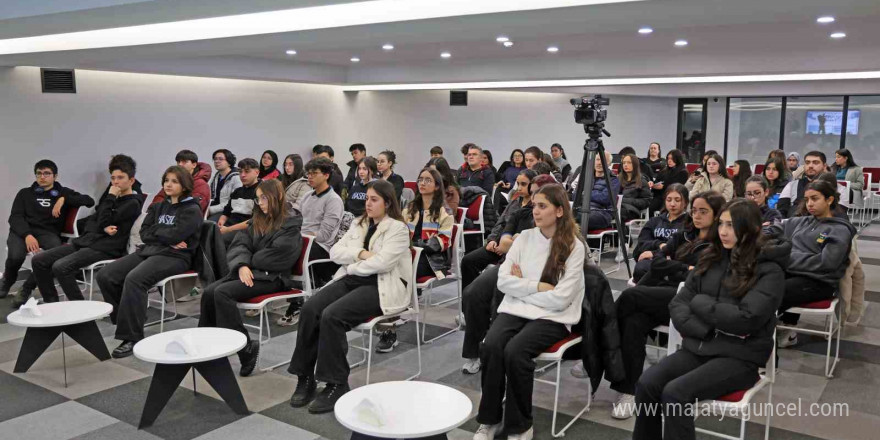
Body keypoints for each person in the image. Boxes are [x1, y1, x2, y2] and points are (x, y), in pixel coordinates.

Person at [633, 200, 788, 440]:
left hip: (740, 356)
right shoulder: (711, 258)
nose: (724, 231)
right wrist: (704, 330)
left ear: (752, 229)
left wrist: (700, 303)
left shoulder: (769, 270)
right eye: (722, 224)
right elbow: (678, 303)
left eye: (732, 225)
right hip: (699, 346)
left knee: (675, 393)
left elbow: (746, 319)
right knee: (647, 384)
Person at [287, 180, 411, 413]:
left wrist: (353, 265)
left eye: (374, 200)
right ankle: (305, 377)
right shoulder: (358, 223)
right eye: (367, 199)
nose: (368, 204)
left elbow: (383, 263)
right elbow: (335, 252)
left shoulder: (398, 228)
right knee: (310, 309)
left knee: (332, 316)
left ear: (387, 202)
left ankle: (336, 383)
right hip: (352, 278)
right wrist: (361, 253)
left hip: (380, 285)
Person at [472, 184, 585, 440]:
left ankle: (520, 424)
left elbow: (561, 298)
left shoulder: (573, 247)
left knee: (515, 351)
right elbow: (503, 281)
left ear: (559, 211)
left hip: (553, 316)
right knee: (490, 346)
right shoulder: (523, 238)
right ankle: (489, 420)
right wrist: (538, 285)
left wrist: (522, 286)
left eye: (542, 206)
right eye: (534, 205)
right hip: (516, 308)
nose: (535, 210)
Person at [609, 190, 722, 419]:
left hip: (688, 303)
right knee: (633, 321)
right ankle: (629, 391)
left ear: (717, 214)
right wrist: (682, 269)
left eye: (704, 211)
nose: (697, 215)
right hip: (663, 293)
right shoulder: (684, 234)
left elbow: (701, 278)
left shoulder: (719, 243)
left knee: (630, 297)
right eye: (695, 210)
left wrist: (674, 269)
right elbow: (658, 261)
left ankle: (600, 348)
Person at [97, 166, 203, 358]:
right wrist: (164, 236)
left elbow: (177, 234)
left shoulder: (192, 209)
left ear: (185, 185)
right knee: (106, 275)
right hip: (152, 250)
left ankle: (132, 337)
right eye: (166, 180)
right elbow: (144, 233)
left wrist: (159, 233)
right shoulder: (158, 205)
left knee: (135, 279)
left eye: (174, 181)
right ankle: (127, 319)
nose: (168, 184)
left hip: (176, 256)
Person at [198, 179, 302, 377]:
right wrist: (242, 264)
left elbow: (276, 256)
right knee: (210, 291)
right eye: (258, 198)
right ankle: (207, 345)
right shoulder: (258, 218)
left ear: (278, 196)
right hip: (254, 272)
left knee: (222, 293)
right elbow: (240, 244)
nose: (260, 202)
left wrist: (248, 262)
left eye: (264, 198)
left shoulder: (291, 224)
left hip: (274, 278)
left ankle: (245, 349)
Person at [460, 173, 553, 375]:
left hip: (537, 274)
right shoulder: (521, 213)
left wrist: (520, 242)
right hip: (509, 264)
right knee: (472, 292)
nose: (535, 198)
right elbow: (504, 244)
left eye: (541, 194)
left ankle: (499, 349)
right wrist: (519, 241)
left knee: (500, 298)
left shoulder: (557, 220)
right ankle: (475, 352)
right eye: (534, 192)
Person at [31, 155, 143, 304]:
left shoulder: (132, 203)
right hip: (89, 240)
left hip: (107, 247)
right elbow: (95, 220)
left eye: (120, 178)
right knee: (38, 260)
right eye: (113, 178)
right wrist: (102, 227)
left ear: (131, 181)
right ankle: (51, 302)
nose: (115, 182)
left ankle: (80, 308)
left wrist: (109, 201)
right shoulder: (113, 198)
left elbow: (105, 219)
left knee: (61, 267)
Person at [371, 168, 455, 353]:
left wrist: (417, 245)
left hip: (430, 259)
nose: (422, 183)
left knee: (395, 274)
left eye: (427, 180)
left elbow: (443, 241)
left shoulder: (444, 210)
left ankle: (389, 329)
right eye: (420, 179)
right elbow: (397, 229)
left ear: (436, 186)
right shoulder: (410, 207)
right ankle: (390, 315)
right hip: (407, 255)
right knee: (386, 270)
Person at [770, 180, 855, 347]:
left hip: (820, 282)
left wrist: (786, 257)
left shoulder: (839, 230)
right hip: (796, 274)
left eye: (815, 198)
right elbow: (777, 226)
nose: (809, 204)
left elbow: (826, 263)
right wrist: (761, 230)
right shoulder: (804, 221)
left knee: (772, 291)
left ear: (830, 200)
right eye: (807, 199)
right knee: (760, 279)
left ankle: (759, 334)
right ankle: (777, 329)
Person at [2, 160, 94, 301]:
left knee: (54, 256)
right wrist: (27, 235)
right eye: (39, 173)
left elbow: (89, 201)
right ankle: (6, 283)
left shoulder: (62, 192)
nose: (42, 177)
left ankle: (27, 288)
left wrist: (63, 198)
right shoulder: (24, 193)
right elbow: (15, 217)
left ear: (55, 176)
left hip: (47, 233)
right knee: (16, 257)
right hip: (22, 233)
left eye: (47, 173)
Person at [277, 158, 344, 326]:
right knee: (276, 246)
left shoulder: (333, 200)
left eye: (315, 173)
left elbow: (324, 235)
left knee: (289, 251)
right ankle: (282, 290)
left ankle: (296, 302)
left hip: (321, 247)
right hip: (302, 240)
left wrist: (300, 235)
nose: (310, 177)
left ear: (326, 175)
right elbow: (296, 219)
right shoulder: (308, 195)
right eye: (309, 173)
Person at [632, 184, 689, 281]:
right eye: (669, 200)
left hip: (676, 262)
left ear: (686, 202)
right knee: (640, 269)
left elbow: (685, 248)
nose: (672, 204)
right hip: (654, 262)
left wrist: (655, 253)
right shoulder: (654, 221)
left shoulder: (689, 223)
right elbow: (642, 242)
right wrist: (659, 244)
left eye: (677, 200)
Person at [151, 149, 212, 215]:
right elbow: (160, 197)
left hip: (183, 220)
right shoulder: (173, 179)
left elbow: (192, 209)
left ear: (194, 165)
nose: (180, 164)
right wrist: (153, 211)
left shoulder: (201, 185)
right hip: (163, 216)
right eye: (178, 162)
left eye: (184, 162)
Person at [218, 158, 261, 247]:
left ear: (257, 172)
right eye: (240, 172)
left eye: (247, 171)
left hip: (245, 230)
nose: (242, 175)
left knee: (217, 241)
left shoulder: (261, 192)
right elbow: (226, 211)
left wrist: (228, 229)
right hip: (229, 226)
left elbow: (254, 221)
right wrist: (221, 221)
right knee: (205, 234)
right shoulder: (237, 191)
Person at [777, 150, 827, 217]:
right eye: (807, 162)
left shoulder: (835, 187)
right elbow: (781, 212)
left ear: (824, 166)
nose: (810, 166)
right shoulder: (791, 185)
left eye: (815, 162)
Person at [648, 150, 688, 215]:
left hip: (670, 198)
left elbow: (677, 187)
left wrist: (663, 187)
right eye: (668, 158)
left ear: (677, 159)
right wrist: (653, 184)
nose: (669, 161)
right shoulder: (664, 171)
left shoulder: (682, 172)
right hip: (658, 196)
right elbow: (656, 181)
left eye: (672, 159)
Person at [208, 149, 241, 222]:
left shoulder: (236, 177)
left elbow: (234, 201)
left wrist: (210, 210)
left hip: (227, 211)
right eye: (215, 159)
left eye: (221, 159)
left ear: (229, 162)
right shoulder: (216, 177)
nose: (217, 161)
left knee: (208, 223)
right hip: (214, 208)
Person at [619, 153, 653, 223]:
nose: (625, 165)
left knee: (619, 213)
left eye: (629, 163)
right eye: (624, 163)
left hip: (632, 210)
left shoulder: (642, 181)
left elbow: (646, 201)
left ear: (635, 164)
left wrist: (625, 200)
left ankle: (620, 234)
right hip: (618, 207)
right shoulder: (618, 179)